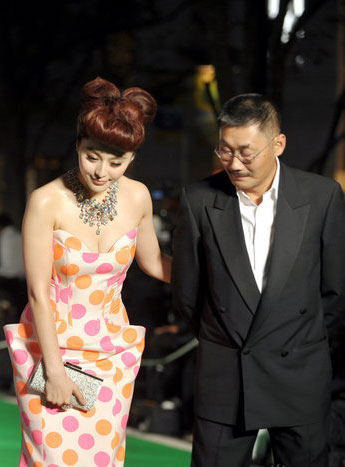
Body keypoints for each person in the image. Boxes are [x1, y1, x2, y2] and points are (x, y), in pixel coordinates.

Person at [3, 77, 171, 467]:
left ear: (131, 159)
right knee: (52, 458)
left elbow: (154, 264)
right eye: (92, 156)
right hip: (50, 350)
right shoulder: (46, 200)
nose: (102, 171)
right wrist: (57, 371)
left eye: (117, 162)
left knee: (103, 459)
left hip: (111, 353)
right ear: (78, 144)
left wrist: (216, 270)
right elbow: (37, 294)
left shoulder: (138, 196)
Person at [172, 94, 345, 467]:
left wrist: (301, 340)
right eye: (225, 151)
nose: (234, 163)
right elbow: (187, 295)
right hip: (225, 373)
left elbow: (335, 292)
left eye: (246, 153)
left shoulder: (322, 196)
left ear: (278, 144)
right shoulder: (198, 200)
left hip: (300, 369)